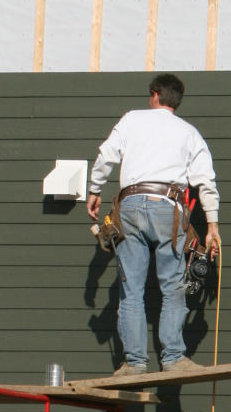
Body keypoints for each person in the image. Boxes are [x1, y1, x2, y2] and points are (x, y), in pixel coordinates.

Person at [86, 73, 220, 378]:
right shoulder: (189, 133)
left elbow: (106, 155)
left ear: (155, 94)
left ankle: (134, 363)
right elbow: (205, 182)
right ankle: (172, 357)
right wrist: (212, 225)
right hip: (168, 208)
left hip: (130, 205)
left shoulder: (133, 120)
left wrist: (94, 190)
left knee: (130, 289)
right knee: (172, 286)